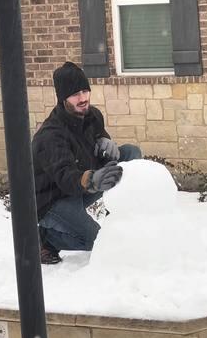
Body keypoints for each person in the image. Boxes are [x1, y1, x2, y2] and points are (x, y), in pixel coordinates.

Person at [32, 61, 141, 264]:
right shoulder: (50, 136)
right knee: (98, 241)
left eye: (85, 90)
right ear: (62, 98)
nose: (82, 98)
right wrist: (92, 179)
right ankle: (46, 240)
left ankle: (127, 211)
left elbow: (97, 134)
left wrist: (104, 140)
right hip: (51, 200)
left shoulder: (92, 115)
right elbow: (65, 176)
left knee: (130, 153)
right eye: (75, 94)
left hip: (81, 189)